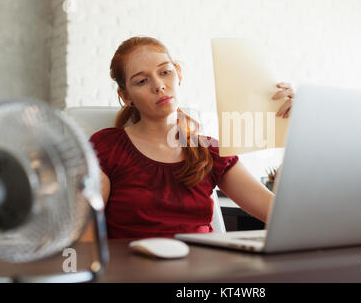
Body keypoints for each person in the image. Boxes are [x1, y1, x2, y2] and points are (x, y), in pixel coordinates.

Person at [80, 36, 294, 241]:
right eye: (142, 81)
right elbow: (83, 234)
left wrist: (298, 126)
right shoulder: (106, 147)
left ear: (179, 74)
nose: (159, 85)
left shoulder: (209, 150)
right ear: (125, 96)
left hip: (202, 272)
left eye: (165, 72)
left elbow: (281, 216)